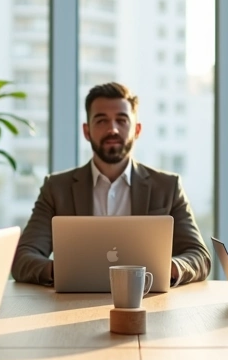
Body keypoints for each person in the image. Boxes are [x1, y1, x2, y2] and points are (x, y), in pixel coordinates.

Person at [12, 82, 211, 286]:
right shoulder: (56, 188)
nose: (112, 129)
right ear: (87, 131)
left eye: (122, 120)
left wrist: (167, 267)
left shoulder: (167, 187)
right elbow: (23, 258)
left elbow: (200, 257)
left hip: (146, 304)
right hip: (73, 304)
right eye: (101, 121)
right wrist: (63, 271)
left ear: (137, 130)